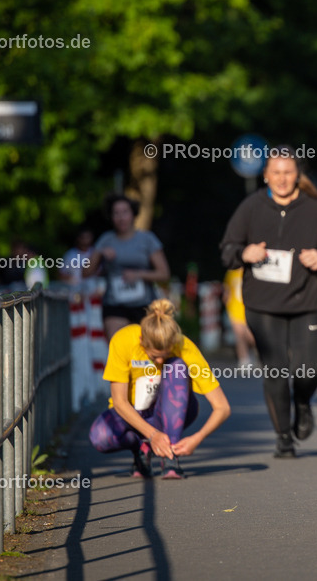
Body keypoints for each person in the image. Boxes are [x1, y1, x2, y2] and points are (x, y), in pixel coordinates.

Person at [219, 148, 317, 458]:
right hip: (263, 305)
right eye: (276, 172)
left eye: (288, 172)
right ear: (266, 176)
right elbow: (227, 248)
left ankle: (302, 403)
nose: (282, 179)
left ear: (297, 175)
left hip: (309, 302)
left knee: (307, 371)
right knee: (275, 372)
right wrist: (244, 253)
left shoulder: (316, 208)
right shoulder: (251, 207)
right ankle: (283, 437)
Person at [89, 299, 231, 478]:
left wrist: (197, 438)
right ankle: (142, 447)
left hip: (171, 414)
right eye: (155, 356)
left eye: (165, 355)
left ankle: (170, 457)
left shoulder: (184, 346)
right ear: (141, 341)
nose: (160, 362)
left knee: (177, 366)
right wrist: (151, 435)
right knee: (99, 437)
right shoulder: (123, 340)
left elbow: (223, 408)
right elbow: (119, 401)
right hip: (133, 414)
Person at [85, 195, 171, 340]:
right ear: (111, 217)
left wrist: (138, 275)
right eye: (116, 213)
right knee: (119, 348)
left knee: (146, 352)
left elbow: (164, 274)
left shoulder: (147, 239)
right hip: (115, 305)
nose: (121, 217)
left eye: (125, 212)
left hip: (145, 305)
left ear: (133, 214)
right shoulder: (106, 240)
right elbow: (85, 272)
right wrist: (98, 254)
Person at [223, 268, 257, 368]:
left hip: (250, 309)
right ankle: (244, 360)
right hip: (235, 309)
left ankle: (256, 354)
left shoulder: (252, 271)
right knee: (239, 337)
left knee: (253, 336)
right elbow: (227, 289)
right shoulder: (231, 273)